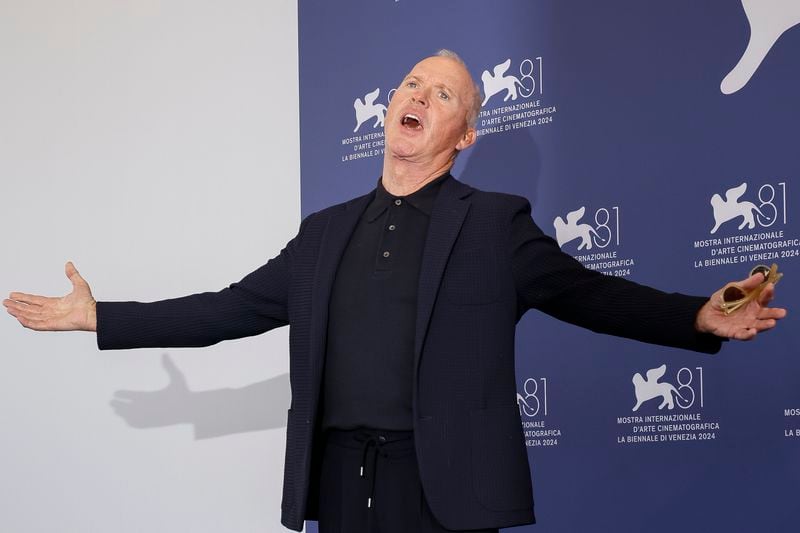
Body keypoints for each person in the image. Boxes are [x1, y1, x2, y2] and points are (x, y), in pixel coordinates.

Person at [3, 50, 786, 533]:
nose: (418, 94)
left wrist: (696, 316)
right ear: (390, 109)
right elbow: (229, 307)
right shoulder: (324, 231)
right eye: (412, 83)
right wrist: (98, 317)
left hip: (442, 489)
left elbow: (590, 294)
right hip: (343, 486)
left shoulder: (496, 225)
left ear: (465, 134)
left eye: (443, 93)